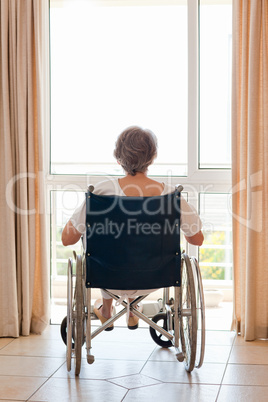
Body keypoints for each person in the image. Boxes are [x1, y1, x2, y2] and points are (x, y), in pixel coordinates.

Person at [62, 126, 204, 330]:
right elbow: (197, 240)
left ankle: (107, 309)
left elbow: (67, 240)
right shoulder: (172, 196)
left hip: (106, 277)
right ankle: (132, 305)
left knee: (100, 242)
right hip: (156, 277)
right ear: (152, 157)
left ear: (118, 157)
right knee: (138, 246)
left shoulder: (100, 193)